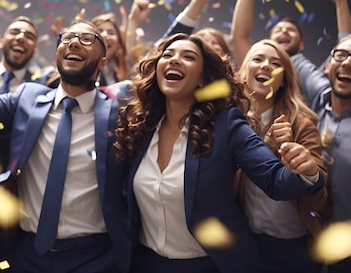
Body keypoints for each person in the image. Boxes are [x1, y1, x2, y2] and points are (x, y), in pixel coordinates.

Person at [0, 0, 129, 272]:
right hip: (26, 254)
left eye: (88, 39)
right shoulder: (25, 98)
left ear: (102, 61)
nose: (74, 41)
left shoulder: (120, 105)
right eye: (67, 37)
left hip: (96, 257)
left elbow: (169, 72)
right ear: (57, 52)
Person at [115, 33, 325, 272]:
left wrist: (307, 172)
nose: (174, 60)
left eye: (188, 56)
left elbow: (276, 181)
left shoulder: (227, 124)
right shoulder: (140, 126)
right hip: (146, 264)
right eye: (168, 55)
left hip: (209, 265)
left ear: (203, 79)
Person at [235, 39, 330, 272]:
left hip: (294, 246)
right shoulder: (228, 120)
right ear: (244, 71)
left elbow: (319, 195)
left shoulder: (301, 124)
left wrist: (307, 170)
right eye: (258, 59)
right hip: (244, 241)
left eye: (275, 63)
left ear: (283, 81)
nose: (266, 66)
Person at [292, 32, 351, 272]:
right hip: (310, 251)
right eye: (341, 54)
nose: (349, 61)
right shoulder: (317, 103)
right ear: (328, 66)